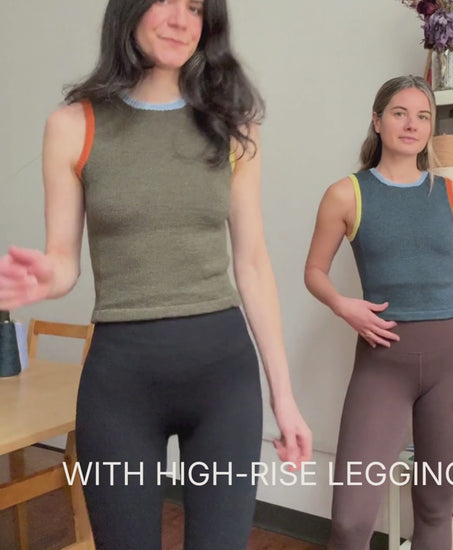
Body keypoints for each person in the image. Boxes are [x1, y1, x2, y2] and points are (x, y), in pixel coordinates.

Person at [0, 1, 311, 548]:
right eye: (166, 1)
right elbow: (64, 261)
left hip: (224, 383)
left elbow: (253, 262)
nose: (181, 20)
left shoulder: (232, 125)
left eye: (196, 7)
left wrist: (284, 397)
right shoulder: (73, 125)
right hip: (121, 387)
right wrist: (44, 277)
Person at [304, 75, 453, 550]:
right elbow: (314, 271)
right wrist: (343, 305)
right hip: (382, 364)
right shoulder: (346, 194)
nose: (412, 124)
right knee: (351, 521)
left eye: (423, 116)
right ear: (377, 121)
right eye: (400, 113)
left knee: (435, 509)